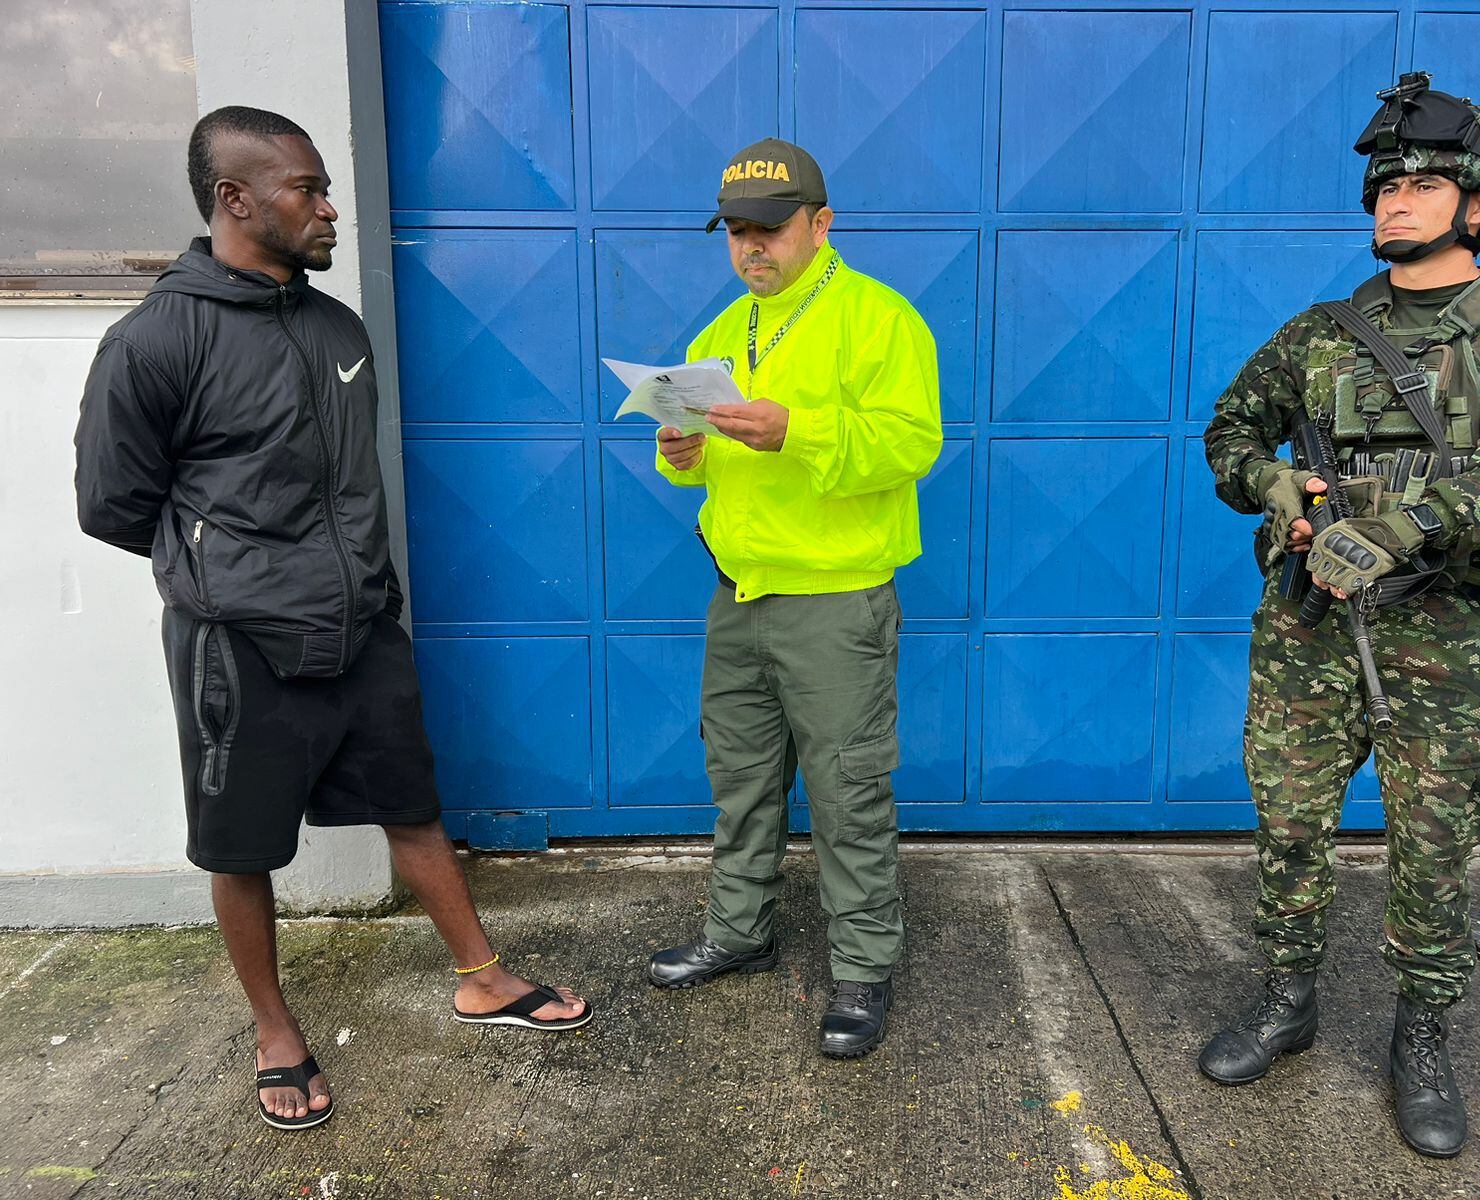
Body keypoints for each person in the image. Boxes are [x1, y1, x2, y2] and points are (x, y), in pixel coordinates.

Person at [74, 106, 591, 1132]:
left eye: (322, 186)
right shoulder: (154, 341)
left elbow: (351, 484)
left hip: (362, 631)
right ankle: (274, 1032)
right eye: (305, 188)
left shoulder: (335, 328)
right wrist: (232, 579)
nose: (327, 205)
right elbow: (113, 506)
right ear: (234, 199)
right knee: (239, 849)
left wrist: (360, 589)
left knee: (414, 807)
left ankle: (481, 978)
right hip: (237, 649)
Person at [1199, 73, 1480, 1157]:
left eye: (1421, 183)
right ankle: (1288, 998)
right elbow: (1231, 432)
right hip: (1308, 629)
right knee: (1287, 824)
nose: (1392, 202)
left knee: (1433, 847)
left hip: (1445, 638)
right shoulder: (1322, 334)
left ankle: (1421, 1035)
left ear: (1479, 203)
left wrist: (1398, 530)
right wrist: (1275, 489)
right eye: (1383, 185)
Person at [647, 138, 941, 1058]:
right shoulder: (717, 334)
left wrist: (797, 430)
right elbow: (704, 474)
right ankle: (741, 934)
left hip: (836, 602)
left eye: (769, 230)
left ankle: (862, 969)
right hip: (738, 598)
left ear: (821, 223)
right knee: (741, 782)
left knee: (849, 794)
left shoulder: (880, 320)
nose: (751, 249)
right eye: (736, 231)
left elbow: (911, 444)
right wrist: (680, 454)